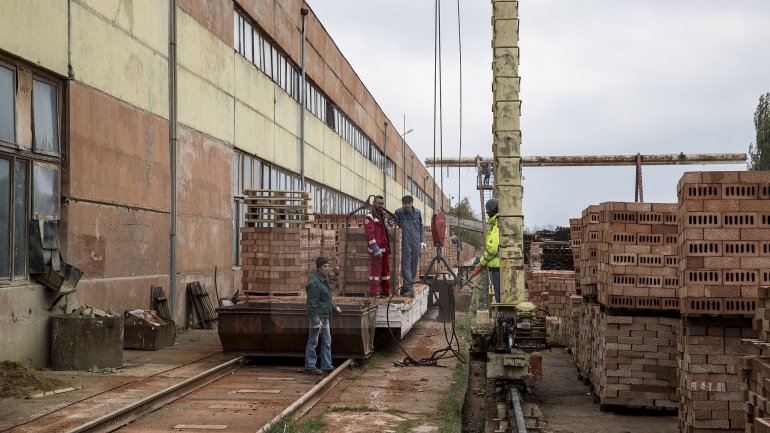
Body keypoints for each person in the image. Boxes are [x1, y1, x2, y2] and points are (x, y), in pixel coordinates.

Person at [305, 256, 341, 375]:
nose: (327, 268)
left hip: (325, 316)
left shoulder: (323, 279)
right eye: (324, 266)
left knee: (327, 341)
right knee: (313, 341)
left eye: (327, 266)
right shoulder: (315, 282)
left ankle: (327, 366)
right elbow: (312, 303)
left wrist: (335, 307)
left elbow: (326, 298)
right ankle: (310, 366)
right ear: (319, 268)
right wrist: (315, 321)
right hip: (318, 317)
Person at [394, 195, 426, 297]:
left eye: (409, 203)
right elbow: (395, 226)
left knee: (413, 265)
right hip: (405, 241)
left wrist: (422, 240)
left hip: (416, 242)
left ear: (412, 203)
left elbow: (421, 227)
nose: (407, 205)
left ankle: (405, 287)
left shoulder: (417, 212)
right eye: (405, 204)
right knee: (406, 265)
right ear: (402, 204)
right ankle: (409, 289)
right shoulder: (398, 212)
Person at [364, 195, 394, 298]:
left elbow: (387, 229)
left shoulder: (382, 215)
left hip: (384, 249)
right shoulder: (369, 216)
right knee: (375, 273)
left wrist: (390, 224)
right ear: (374, 203)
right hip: (376, 250)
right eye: (378, 203)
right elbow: (370, 234)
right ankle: (374, 293)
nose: (380, 205)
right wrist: (375, 248)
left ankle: (387, 292)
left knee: (386, 272)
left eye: (382, 203)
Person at [474, 198, 500, 302]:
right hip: (496, 266)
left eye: (488, 211)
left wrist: (482, 263)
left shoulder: (497, 224)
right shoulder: (495, 223)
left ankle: (503, 317)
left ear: (491, 211)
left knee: (498, 297)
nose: (487, 213)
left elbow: (492, 249)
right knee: (497, 295)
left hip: (497, 267)